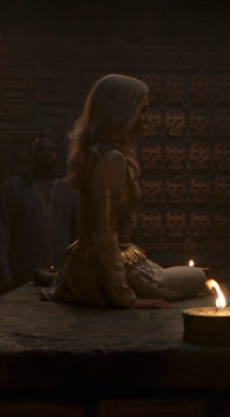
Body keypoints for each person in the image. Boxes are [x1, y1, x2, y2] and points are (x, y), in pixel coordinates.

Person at [43, 74, 205, 308]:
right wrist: (126, 298)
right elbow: (105, 235)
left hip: (94, 260)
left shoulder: (100, 153)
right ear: (122, 113)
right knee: (198, 277)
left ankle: (67, 279)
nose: (147, 119)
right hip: (105, 267)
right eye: (142, 111)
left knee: (170, 271)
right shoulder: (111, 159)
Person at [0, 134, 78, 294]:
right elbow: (2, 232)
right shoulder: (13, 186)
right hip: (23, 272)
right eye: (41, 149)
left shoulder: (69, 189)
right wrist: (3, 271)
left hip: (62, 274)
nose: (47, 153)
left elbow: (78, 232)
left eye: (51, 150)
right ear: (31, 153)